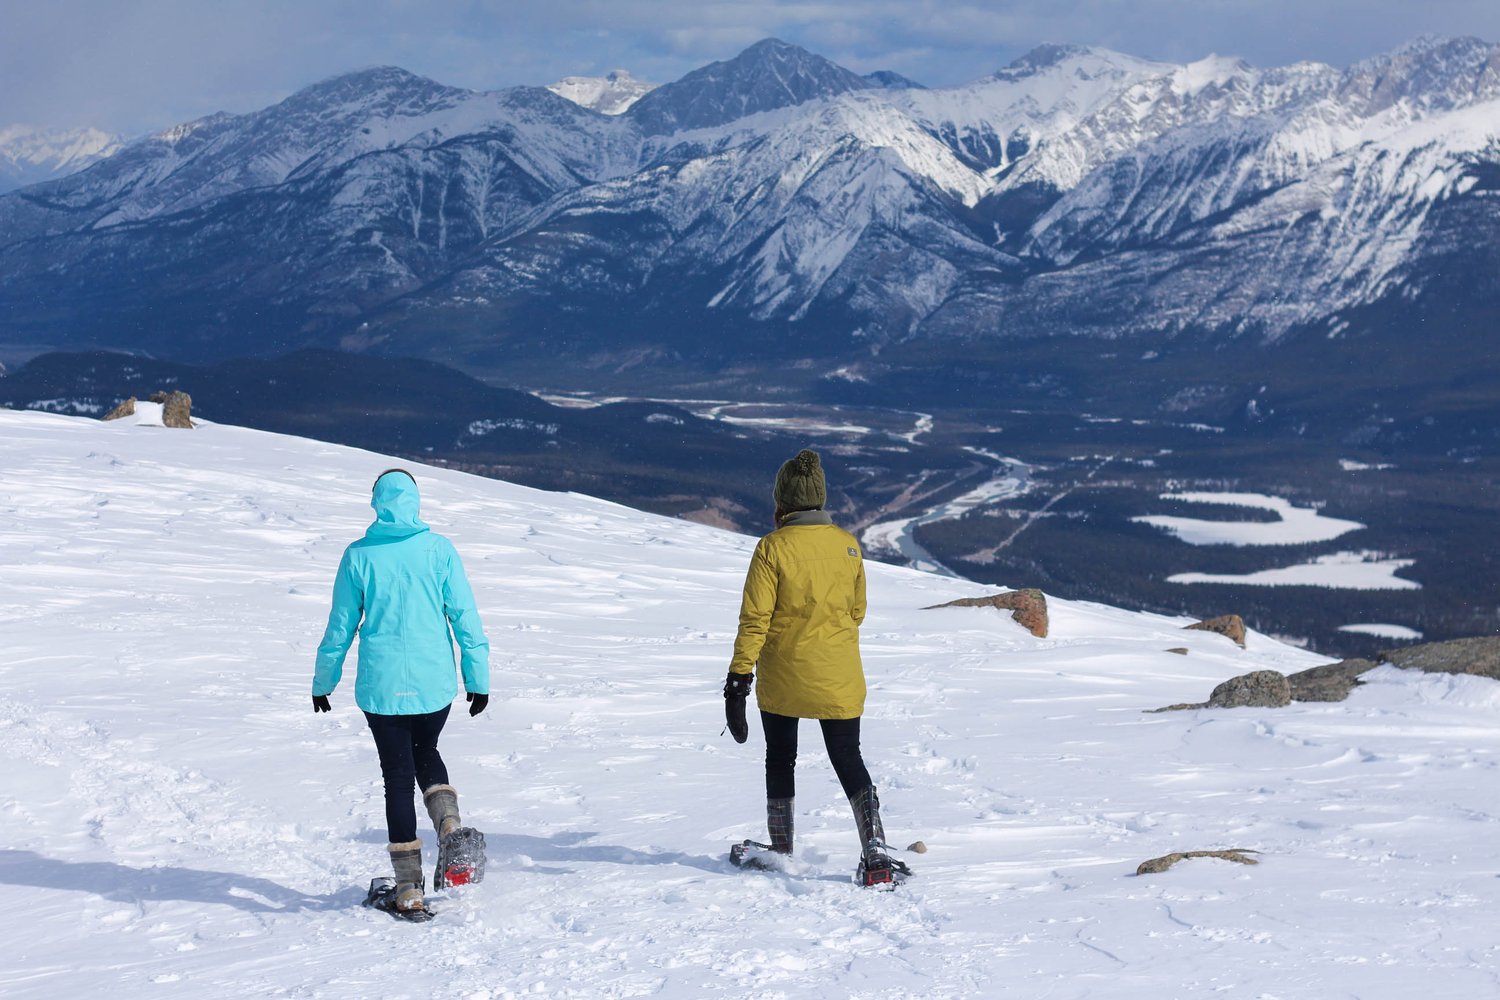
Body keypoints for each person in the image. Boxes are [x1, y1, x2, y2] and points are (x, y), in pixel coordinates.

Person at [312, 468, 491, 916]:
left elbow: (340, 626)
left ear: (377, 503)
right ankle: (450, 829)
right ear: (415, 502)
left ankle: (409, 888)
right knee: (426, 749)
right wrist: (478, 678)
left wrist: (323, 680)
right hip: (434, 684)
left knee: (397, 775)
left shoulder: (358, 556)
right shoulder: (439, 550)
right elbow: (465, 618)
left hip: (382, 687)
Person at [724, 449, 907, 886]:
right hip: (838, 676)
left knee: (780, 757)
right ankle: (876, 850)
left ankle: (782, 845)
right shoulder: (848, 545)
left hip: (784, 678)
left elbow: (755, 621)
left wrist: (737, 681)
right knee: (848, 756)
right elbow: (857, 611)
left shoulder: (772, 548)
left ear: (780, 504)